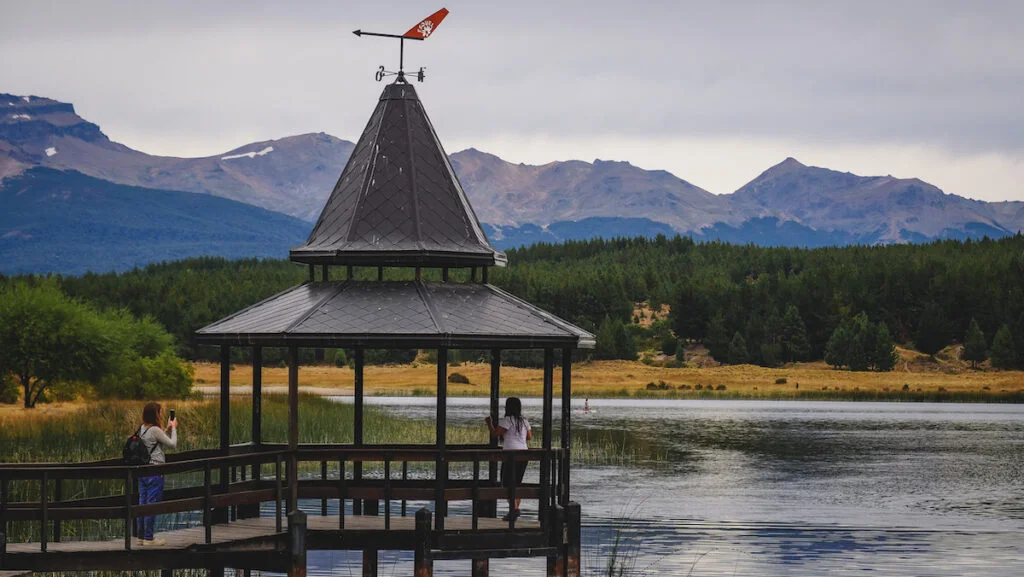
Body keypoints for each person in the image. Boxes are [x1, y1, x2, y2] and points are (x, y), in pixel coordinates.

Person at [136, 402, 178, 546]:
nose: (161, 414)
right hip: (155, 472)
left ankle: (141, 537)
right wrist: (174, 429)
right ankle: (149, 538)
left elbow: (156, 440)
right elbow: (172, 444)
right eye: (160, 412)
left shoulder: (143, 429)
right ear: (155, 414)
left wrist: (166, 428)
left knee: (143, 503)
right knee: (152, 505)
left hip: (143, 471)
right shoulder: (155, 429)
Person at [485, 397, 532, 521]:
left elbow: (495, 434)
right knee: (516, 483)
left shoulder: (507, 420)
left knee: (506, 483)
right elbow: (529, 437)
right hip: (524, 455)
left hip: (510, 455)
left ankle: (514, 509)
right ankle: (514, 510)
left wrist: (489, 423)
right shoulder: (524, 421)